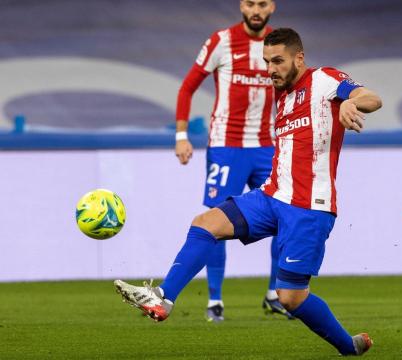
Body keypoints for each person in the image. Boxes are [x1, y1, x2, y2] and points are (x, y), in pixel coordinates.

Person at [114, 28, 382, 356]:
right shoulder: (282, 98)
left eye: (278, 61)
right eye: (267, 61)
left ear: (299, 58)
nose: (271, 69)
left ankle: (348, 347)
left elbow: (372, 98)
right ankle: (164, 298)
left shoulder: (323, 80)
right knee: (204, 224)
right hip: (271, 197)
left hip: (309, 208)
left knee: (290, 297)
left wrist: (350, 104)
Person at [174, 0, 292, 321]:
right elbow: (187, 88)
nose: (256, 10)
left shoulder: (277, 47)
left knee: (285, 218)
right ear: (242, 5)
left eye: (262, 4)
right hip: (226, 146)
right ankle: (214, 301)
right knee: (215, 220)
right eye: (251, 3)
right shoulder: (221, 41)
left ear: (272, 7)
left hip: (267, 147)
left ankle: (275, 294)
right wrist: (181, 136)